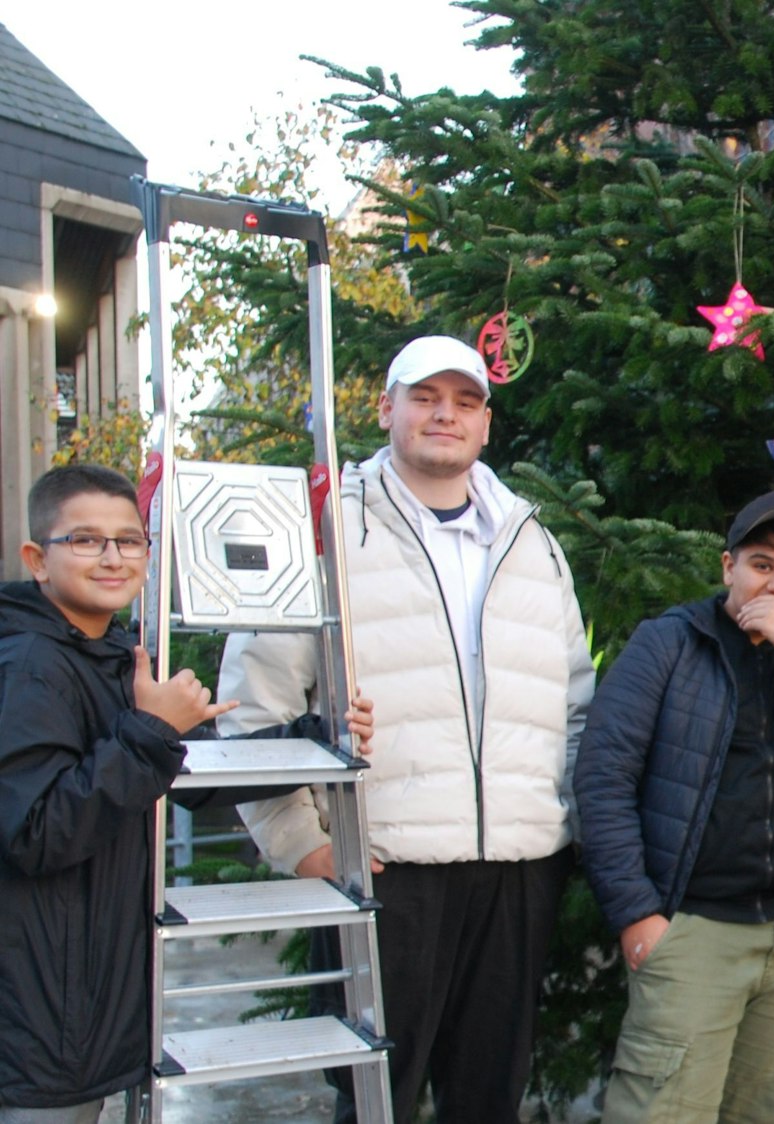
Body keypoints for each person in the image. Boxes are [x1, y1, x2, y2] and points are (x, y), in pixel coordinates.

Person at [221, 336, 595, 1124]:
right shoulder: (324, 534)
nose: (444, 415)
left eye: (465, 401)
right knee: (371, 1101)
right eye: (424, 397)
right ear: (386, 408)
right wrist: (304, 846)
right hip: (385, 873)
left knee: (488, 1098)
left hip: (517, 873)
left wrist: (563, 834)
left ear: (486, 425)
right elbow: (254, 710)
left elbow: (573, 704)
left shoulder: (532, 543)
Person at [572, 492, 774, 1124]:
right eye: (762, 564)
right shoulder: (668, 644)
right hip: (693, 931)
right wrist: (637, 915)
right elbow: (602, 778)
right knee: (661, 1112)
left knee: (773, 1112)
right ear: (728, 568)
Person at [0, 466, 239, 1120]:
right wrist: (151, 731)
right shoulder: (29, 665)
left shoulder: (111, 654)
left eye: (129, 541)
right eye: (84, 540)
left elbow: (178, 781)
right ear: (36, 559)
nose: (112, 558)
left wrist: (317, 739)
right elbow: (35, 832)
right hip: (42, 1023)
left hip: (87, 1009)